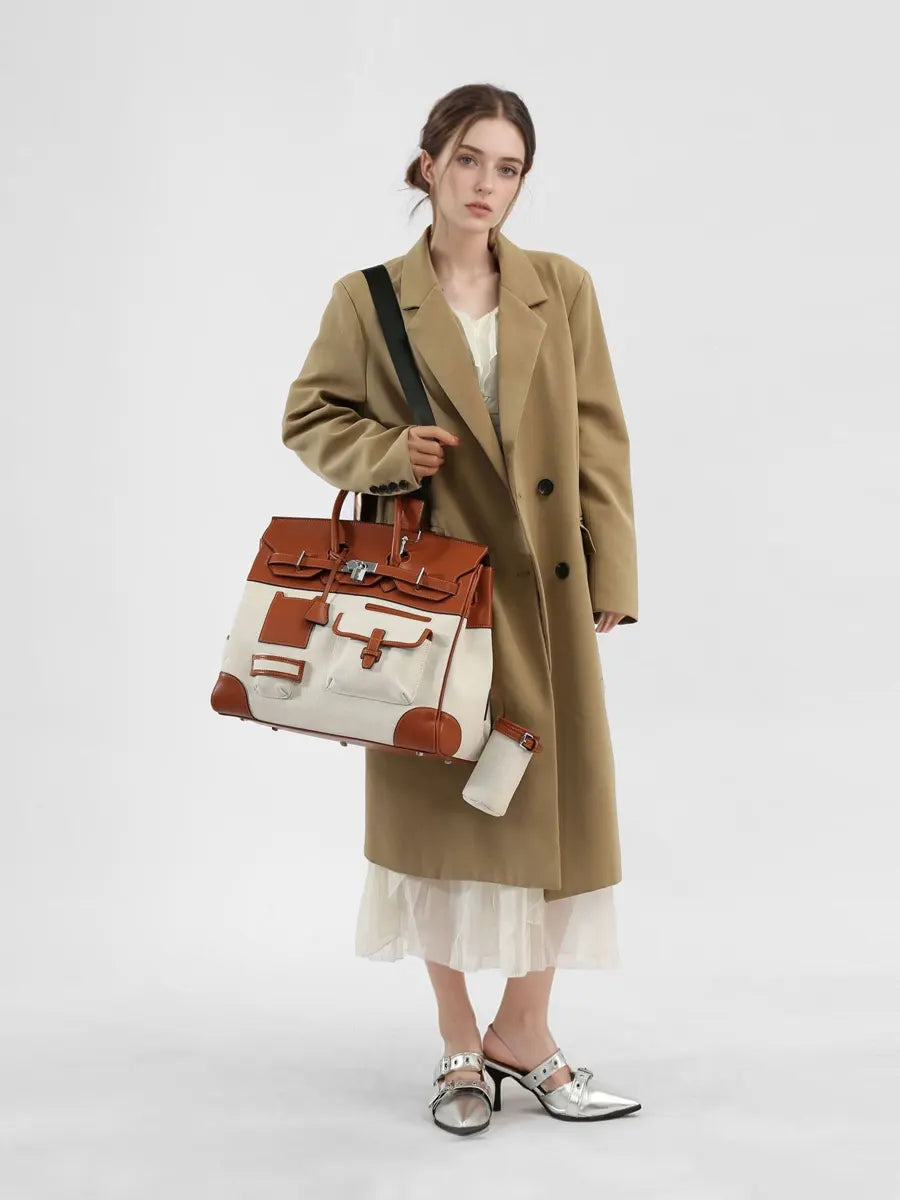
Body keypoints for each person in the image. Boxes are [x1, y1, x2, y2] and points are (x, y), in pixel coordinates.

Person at [281, 82, 640, 1135]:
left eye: (510, 167)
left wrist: (610, 573)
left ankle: (522, 1034)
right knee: (439, 816)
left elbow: (600, 436)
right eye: (471, 159)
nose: (489, 185)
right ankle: (457, 1042)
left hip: (542, 594)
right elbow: (310, 415)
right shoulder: (370, 300)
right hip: (428, 603)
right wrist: (388, 452)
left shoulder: (561, 288)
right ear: (428, 163)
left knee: (558, 814)